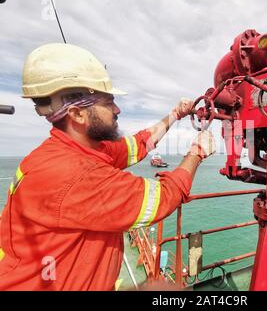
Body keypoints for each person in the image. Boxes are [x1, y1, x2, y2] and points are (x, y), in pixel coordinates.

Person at [0, 43, 216, 290]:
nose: (118, 109)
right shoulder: (74, 173)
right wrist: (196, 153)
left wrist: (175, 115)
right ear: (78, 114)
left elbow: (140, 143)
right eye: (109, 102)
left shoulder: (85, 149)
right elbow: (163, 197)